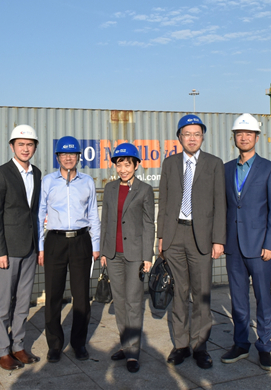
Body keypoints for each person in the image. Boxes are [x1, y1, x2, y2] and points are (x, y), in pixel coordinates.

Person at [157, 114, 226, 369]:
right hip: (174, 235)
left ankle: (200, 346)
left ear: (203, 137)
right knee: (179, 293)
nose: (192, 138)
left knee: (201, 294)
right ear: (179, 137)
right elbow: (164, 201)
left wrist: (218, 240)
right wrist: (161, 237)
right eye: (187, 134)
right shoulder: (169, 163)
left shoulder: (214, 164)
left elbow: (220, 204)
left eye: (197, 134)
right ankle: (181, 345)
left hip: (202, 238)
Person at [222, 113, 271, 371]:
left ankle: (265, 345)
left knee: (263, 298)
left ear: (257, 137)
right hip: (233, 246)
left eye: (248, 133)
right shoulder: (226, 169)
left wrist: (270, 244)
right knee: (238, 299)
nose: (244, 137)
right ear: (234, 137)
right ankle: (240, 343)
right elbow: (223, 207)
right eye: (240, 133)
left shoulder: (269, 169)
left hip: (259, 247)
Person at [38, 135, 101, 363]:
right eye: (63, 154)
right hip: (54, 241)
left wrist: (96, 244)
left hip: (81, 241)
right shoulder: (48, 181)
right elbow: (40, 214)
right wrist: (40, 247)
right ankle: (54, 345)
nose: (68, 158)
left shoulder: (87, 181)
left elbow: (93, 213)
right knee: (53, 295)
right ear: (57, 157)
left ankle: (78, 343)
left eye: (72, 154)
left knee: (81, 296)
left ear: (78, 157)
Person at [0, 124, 42, 371]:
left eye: (30, 144)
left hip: (30, 248)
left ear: (35, 147)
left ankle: (18, 346)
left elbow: (35, 212)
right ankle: (0, 351)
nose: (25, 148)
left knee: (23, 302)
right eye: (21, 144)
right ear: (12, 146)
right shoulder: (0, 174)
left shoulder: (37, 173)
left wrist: (39, 246)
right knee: (3, 304)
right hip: (8, 251)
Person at [100, 143, 155, 373]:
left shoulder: (145, 190)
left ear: (136, 165)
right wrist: (104, 251)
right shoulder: (110, 188)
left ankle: (133, 352)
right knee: (120, 302)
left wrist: (147, 256)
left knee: (133, 302)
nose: (123, 169)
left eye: (127, 164)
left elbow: (149, 224)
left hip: (134, 255)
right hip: (113, 254)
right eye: (119, 164)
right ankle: (125, 344)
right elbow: (105, 220)